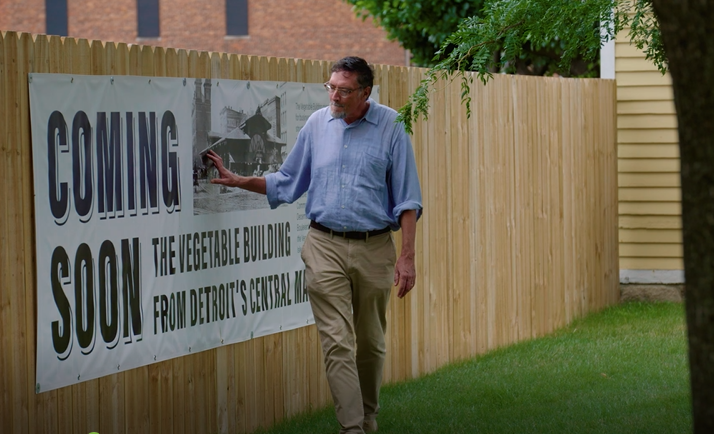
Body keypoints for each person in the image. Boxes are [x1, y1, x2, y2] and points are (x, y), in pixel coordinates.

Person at [205, 56, 422, 434]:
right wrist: (239, 180)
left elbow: (407, 199)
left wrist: (407, 256)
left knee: (370, 343)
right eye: (331, 87)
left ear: (365, 92)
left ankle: (368, 416)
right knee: (337, 342)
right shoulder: (316, 125)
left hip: (374, 247)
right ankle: (352, 428)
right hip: (323, 245)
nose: (334, 96)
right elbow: (287, 180)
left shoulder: (391, 126)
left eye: (344, 90)